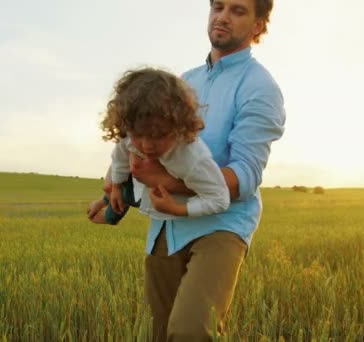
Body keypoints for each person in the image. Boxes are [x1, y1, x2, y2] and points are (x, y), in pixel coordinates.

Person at [125, 0, 286, 340]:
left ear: (259, 26)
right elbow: (145, 146)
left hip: (221, 227)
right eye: (218, 6)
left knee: (190, 332)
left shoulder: (260, 87)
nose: (223, 17)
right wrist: (117, 191)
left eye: (238, 11)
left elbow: (244, 176)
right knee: (155, 334)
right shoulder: (182, 82)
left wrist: (165, 182)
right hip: (166, 227)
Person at [88, 67, 231, 225]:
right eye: (138, 135)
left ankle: (107, 211)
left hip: (160, 195)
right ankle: (104, 203)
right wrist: (115, 187)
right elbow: (120, 158)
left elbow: (220, 199)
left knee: (127, 193)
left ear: (180, 127)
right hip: (135, 181)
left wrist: (177, 209)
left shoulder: (192, 158)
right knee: (120, 187)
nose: (147, 146)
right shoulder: (130, 130)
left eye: (159, 136)